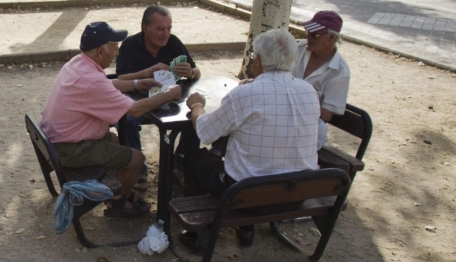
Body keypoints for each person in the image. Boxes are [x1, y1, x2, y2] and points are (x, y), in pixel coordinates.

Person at [178, 29, 320, 252]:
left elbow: (205, 132)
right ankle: (245, 228)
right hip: (296, 194)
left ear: (260, 61)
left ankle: (196, 233)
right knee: (253, 156)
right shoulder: (309, 91)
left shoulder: (245, 94)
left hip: (245, 195)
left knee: (195, 158)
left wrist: (197, 105)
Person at [40, 22, 182, 217]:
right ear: (100, 52)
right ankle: (119, 201)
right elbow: (136, 109)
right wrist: (170, 94)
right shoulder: (92, 80)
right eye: (115, 49)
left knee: (115, 141)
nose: (117, 54)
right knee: (136, 159)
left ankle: (115, 192)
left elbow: (107, 85)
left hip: (54, 141)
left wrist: (137, 83)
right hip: (68, 149)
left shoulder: (78, 63)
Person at [115, 5, 201, 190]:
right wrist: (147, 73)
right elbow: (121, 79)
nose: (166, 34)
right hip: (137, 97)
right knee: (127, 121)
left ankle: (180, 163)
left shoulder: (174, 43)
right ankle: (138, 167)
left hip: (169, 98)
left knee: (195, 113)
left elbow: (197, 71)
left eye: (169, 28)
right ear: (145, 28)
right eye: (160, 28)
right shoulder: (130, 45)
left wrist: (191, 72)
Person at [292, 11, 351, 149]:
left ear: (331, 38)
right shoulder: (299, 49)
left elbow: (326, 114)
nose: (308, 37)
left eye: (315, 34)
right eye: (308, 31)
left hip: (308, 129)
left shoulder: (340, 71)